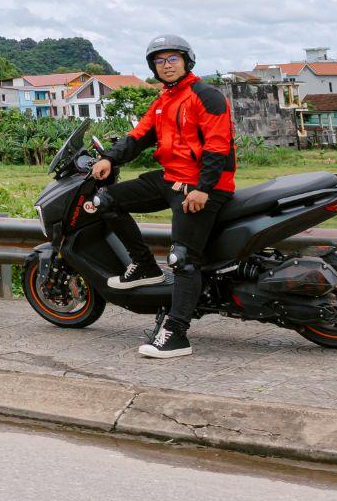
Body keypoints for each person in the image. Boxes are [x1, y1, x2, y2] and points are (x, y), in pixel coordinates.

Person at [88, 34, 235, 360]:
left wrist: (204, 189)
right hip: (171, 179)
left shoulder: (206, 95)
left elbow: (218, 145)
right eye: (159, 61)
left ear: (186, 60)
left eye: (172, 59)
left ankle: (177, 333)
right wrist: (110, 158)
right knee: (106, 200)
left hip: (202, 187)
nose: (166, 66)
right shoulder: (164, 100)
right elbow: (138, 136)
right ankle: (143, 265)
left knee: (183, 259)